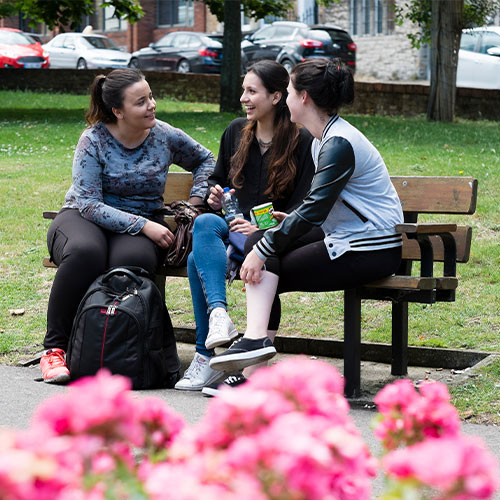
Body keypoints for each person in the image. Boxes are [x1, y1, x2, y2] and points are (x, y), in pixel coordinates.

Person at [209, 58, 404, 374]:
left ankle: (253, 359)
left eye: (288, 91)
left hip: (372, 248)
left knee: (267, 265)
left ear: (303, 98)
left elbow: (314, 209)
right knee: (263, 243)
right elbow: (318, 210)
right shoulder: (324, 139)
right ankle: (254, 348)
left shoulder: (339, 143)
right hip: (348, 238)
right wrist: (274, 234)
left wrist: (261, 250)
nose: (285, 98)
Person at [41, 68, 215, 384]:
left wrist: (198, 200)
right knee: (85, 253)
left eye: (150, 97)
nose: (152, 105)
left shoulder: (164, 135)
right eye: (141, 102)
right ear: (118, 111)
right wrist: (144, 226)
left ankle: (117, 351)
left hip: (136, 226)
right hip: (82, 217)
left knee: (131, 265)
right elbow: (89, 204)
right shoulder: (93, 140)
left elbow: (206, 160)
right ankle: (55, 350)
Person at [174, 60, 315, 391]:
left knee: (198, 260)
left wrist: (259, 229)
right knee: (207, 220)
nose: (244, 98)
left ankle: (211, 358)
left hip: (271, 236)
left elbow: (303, 205)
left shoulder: (303, 141)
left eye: (252, 91)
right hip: (229, 229)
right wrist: (213, 195)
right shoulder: (236, 131)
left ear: (277, 96)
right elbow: (220, 182)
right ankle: (219, 317)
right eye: (244, 91)